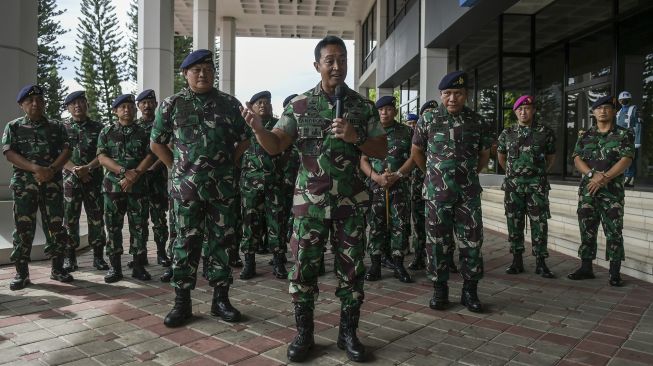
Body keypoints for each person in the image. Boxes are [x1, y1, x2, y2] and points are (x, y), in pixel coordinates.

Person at [240, 36, 387, 362]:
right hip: (310, 206)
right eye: (330, 60)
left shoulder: (362, 107)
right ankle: (304, 334)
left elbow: (381, 149)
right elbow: (276, 144)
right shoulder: (300, 105)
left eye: (342, 60)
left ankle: (348, 332)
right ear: (317, 65)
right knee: (303, 271)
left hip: (350, 204)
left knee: (352, 272)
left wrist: (356, 136)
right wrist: (259, 130)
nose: (336, 66)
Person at [150, 49, 248, 327]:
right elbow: (156, 142)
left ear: (213, 72)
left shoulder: (229, 104)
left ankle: (221, 300)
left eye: (207, 68)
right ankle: (182, 303)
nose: (203, 74)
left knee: (222, 243)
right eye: (196, 70)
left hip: (222, 191)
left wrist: (229, 163)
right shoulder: (171, 105)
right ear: (185, 74)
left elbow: (245, 138)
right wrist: (175, 169)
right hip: (186, 191)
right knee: (184, 243)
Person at [411, 71, 493, 313]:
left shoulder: (477, 121)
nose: (452, 98)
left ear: (465, 95)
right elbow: (416, 151)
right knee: (437, 243)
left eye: (457, 93)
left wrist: (468, 174)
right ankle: (440, 290)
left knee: (472, 242)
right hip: (437, 195)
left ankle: (470, 291)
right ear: (441, 95)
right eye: (447, 94)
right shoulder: (428, 119)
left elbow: (485, 154)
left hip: (467, 194)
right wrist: (432, 174)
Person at [3, 84, 74, 290]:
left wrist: (50, 169)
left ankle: (58, 268)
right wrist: (35, 168)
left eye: (39, 100)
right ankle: (21, 273)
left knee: (56, 226)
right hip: (25, 185)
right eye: (30, 101)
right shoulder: (13, 127)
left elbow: (67, 151)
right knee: (23, 228)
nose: (35, 104)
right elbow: (9, 153)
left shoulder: (57, 126)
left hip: (52, 183)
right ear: (21, 105)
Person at [568, 95, 634, 286]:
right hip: (588, 191)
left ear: (614, 112)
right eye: (599, 108)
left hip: (612, 193)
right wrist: (591, 176)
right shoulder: (585, 135)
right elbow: (577, 158)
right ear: (593, 112)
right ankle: (586, 268)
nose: (603, 111)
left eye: (607, 108)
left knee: (614, 231)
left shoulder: (624, 134)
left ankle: (614, 272)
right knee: (586, 229)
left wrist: (604, 178)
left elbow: (626, 159)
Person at [97, 94, 155, 283]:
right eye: (122, 107)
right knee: (113, 227)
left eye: (130, 106)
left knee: (139, 227)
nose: (127, 109)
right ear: (115, 111)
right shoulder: (106, 131)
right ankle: (115, 268)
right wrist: (123, 172)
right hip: (113, 187)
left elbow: (151, 154)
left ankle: (138, 266)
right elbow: (102, 157)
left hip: (138, 186)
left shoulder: (145, 131)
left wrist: (135, 174)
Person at [497, 95, 556, 278]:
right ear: (515, 112)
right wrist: (514, 173)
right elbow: (501, 157)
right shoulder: (507, 133)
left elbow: (550, 158)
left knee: (539, 223)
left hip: (536, 186)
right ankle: (517, 261)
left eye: (527, 108)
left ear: (533, 110)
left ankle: (541, 262)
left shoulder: (545, 132)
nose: (523, 112)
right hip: (514, 187)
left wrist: (537, 173)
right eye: (520, 109)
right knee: (514, 222)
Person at [361, 96, 414, 283]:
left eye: (389, 109)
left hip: (399, 186)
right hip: (376, 187)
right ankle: (375, 264)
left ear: (396, 111)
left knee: (399, 225)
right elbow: (363, 161)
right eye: (381, 110)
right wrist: (377, 177)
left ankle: (399, 263)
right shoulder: (370, 133)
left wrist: (398, 174)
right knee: (376, 225)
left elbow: (414, 157)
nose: (384, 112)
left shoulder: (407, 132)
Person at [238, 90, 287, 280]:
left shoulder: (279, 126)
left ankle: (279, 260)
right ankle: (249, 262)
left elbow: (287, 151)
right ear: (253, 106)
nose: (263, 105)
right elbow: (237, 151)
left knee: (277, 223)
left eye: (267, 102)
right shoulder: (245, 126)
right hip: (250, 184)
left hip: (274, 183)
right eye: (259, 103)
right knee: (250, 223)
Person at [61, 90, 108, 272]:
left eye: (81, 102)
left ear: (87, 104)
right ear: (68, 108)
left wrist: (88, 168)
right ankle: (69, 258)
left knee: (96, 218)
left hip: (93, 180)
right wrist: (75, 170)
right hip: (70, 182)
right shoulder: (62, 128)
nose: (78, 106)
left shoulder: (99, 128)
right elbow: (59, 155)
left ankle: (98, 257)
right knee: (70, 220)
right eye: (73, 104)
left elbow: (103, 153)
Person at [136, 89, 172, 268]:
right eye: (143, 103)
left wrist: (154, 166)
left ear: (156, 105)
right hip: (139, 181)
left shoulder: (163, 125)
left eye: (150, 102)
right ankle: (141, 254)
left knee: (159, 219)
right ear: (138, 106)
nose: (147, 105)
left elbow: (168, 147)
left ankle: (161, 253)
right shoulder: (133, 127)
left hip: (158, 179)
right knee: (139, 220)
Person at [616, 91, 642, 188]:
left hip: (631, 138)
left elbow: (639, 125)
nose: (624, 101)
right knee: (621, 159)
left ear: (629, 100)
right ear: (619, 101)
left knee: (630, 159)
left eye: (626, 100)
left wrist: (638, 141)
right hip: (620, 139)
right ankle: (623, 177)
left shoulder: (635, 110)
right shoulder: (618, 113)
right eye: (622, 100)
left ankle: (630, 178)